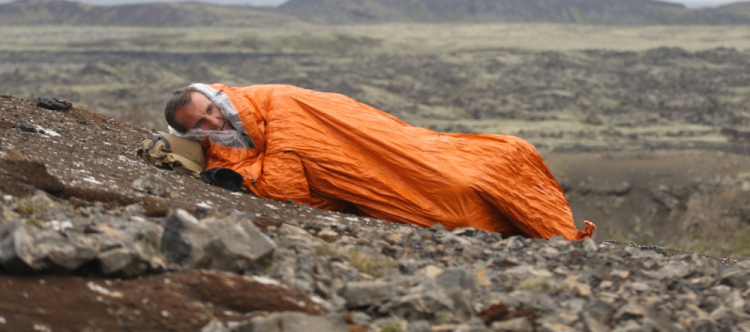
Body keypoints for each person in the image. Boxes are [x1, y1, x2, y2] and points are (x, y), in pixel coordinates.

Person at [165, 82, 594, 241]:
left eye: (211, 109)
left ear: (217, 95)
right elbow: (288, 187)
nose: (213, 120)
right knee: (452, 197)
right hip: (359, 176)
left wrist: (258, 168)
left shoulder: (272, 99)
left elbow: (295, 144)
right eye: (201, 124)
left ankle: (546, 222)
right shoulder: (220, 150)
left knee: (487, 160)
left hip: (382, 146)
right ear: (194, 134)